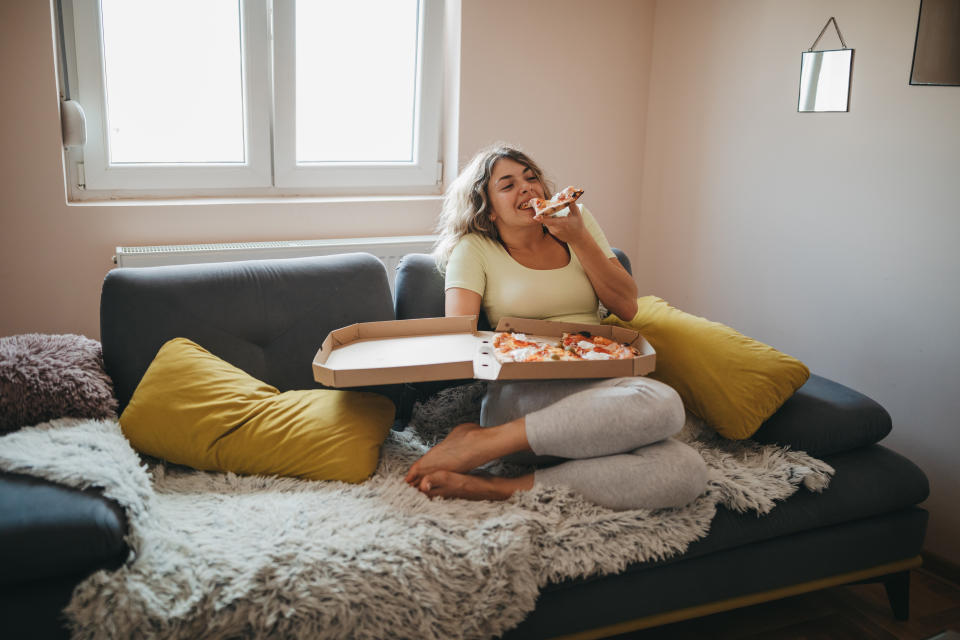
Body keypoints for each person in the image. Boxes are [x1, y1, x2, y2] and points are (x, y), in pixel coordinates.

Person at [404, 144, 708, 511]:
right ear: (486, 208)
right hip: (524, 394)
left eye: (532, 179)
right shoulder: (475, 248)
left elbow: (626, 306)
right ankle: (488, 440)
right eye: (508, 185)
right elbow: (459, 336)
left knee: (686, 471)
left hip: (599, 387)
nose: (527, 188)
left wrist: (578, 237)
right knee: (663, 404)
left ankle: (499, 486)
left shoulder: (577, 222)